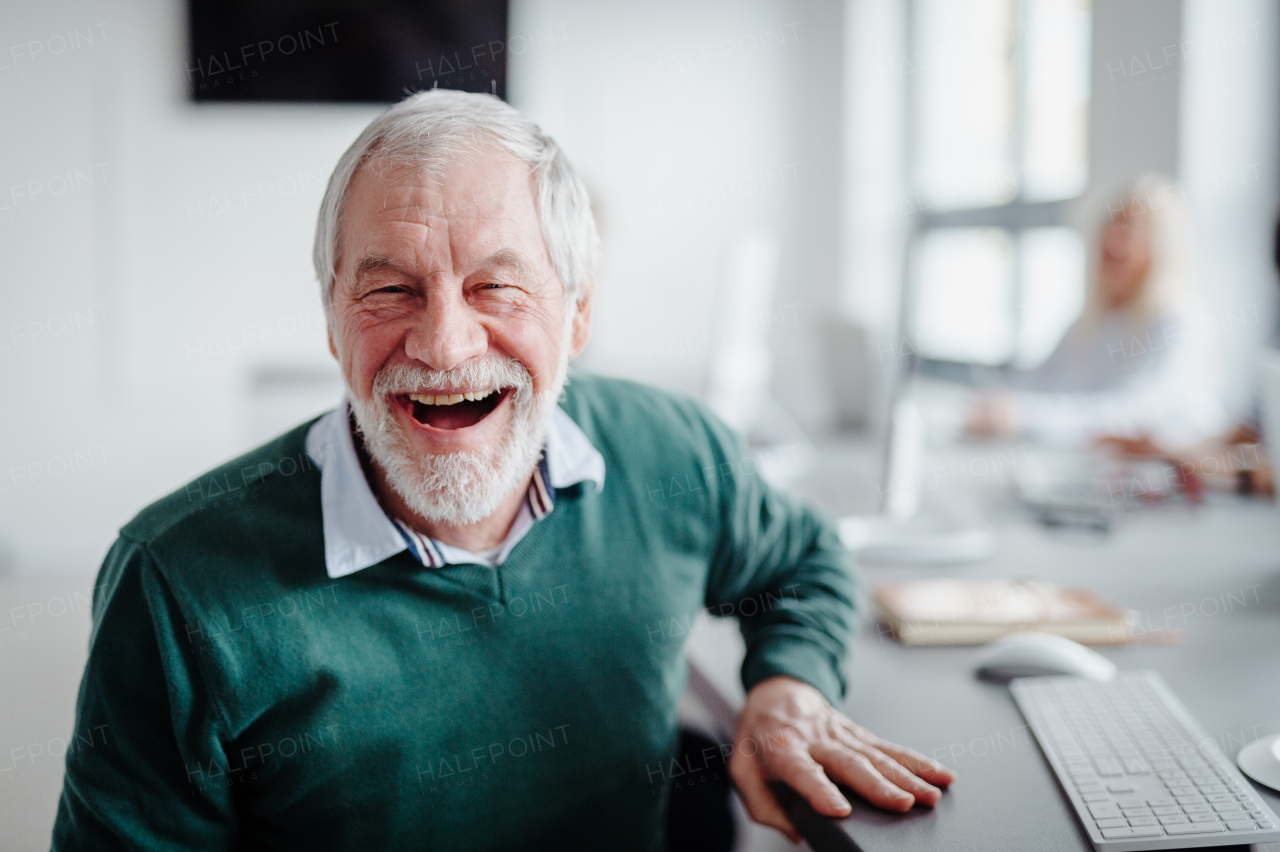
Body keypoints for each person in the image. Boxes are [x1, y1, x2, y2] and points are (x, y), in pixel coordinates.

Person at [51, 90, 954, 851]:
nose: (444, 343)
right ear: (331, 321)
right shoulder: (173, 587)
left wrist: (788, 690)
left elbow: (802, 564)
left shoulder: (672, 452)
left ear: (577, 315)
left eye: (497, 286)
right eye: (390, 289)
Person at [968, 175, 1226, 450]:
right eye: (1111, 226)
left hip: (1179, 480)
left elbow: (1134, 416)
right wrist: (995, 404)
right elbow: (1032, 384)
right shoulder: (1095, 320)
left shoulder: (1179, 320)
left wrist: (1025, 415)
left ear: (1161, 248)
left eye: (1129, 232)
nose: (1112, 242)